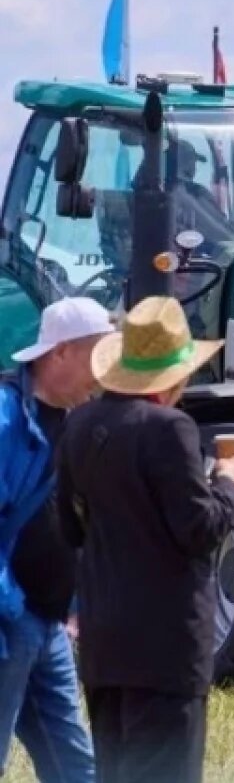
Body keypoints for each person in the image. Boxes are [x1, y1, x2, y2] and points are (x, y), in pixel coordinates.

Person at [56, 295, 234, 783]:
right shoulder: (171, 428)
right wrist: (229, 483)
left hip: (105, 641)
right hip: (165, 647)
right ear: (174, 377)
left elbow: (68, 526)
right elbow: (200, 529)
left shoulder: (79, 423)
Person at [0, 297, 113, 782]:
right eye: (96, 358)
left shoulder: (76, 420)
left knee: (75, 769)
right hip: (11, 623)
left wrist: (73, 606)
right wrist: (11, 610)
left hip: (48, 626)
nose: (102, 376)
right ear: (60, 352)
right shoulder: (6, 419)